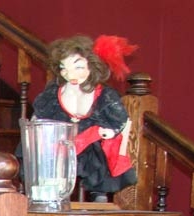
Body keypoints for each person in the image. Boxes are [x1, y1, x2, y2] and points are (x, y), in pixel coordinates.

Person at [31, 34, 138, 197]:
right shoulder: (54, 93)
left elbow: (119, 119)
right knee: (47, 154)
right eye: (63, 68)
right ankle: (52, 190)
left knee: (98, 154)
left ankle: (99, 193)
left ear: (92, 66)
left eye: (78, 67)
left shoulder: (105, 94)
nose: (69, 74)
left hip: (91, 145)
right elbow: (40, 115)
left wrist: (108, 131)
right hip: (60, 145)